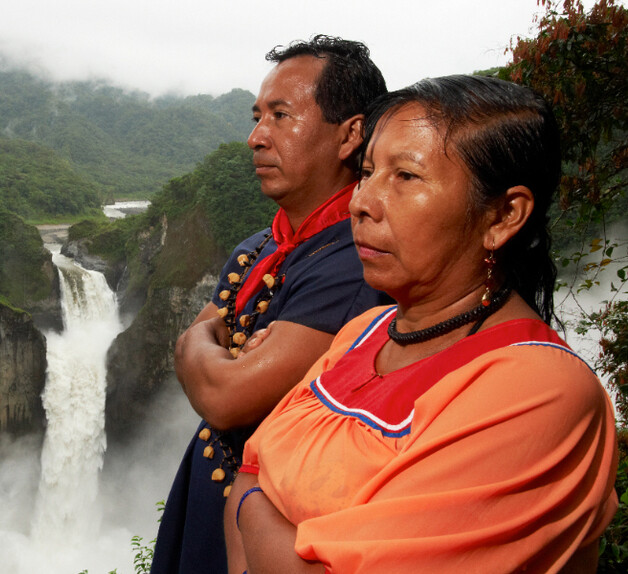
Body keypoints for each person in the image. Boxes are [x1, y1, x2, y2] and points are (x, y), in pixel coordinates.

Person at [226, 75, 619, 573]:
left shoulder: (539, 391)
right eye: (367, 172)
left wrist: (252, 507)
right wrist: (259, 510)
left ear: (502, 216)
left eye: (405, 177)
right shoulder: (363, 332)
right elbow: (248, 470)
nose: (359, 202)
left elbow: (249, 484)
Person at [150, 36, 391, 574]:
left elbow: (225, 396)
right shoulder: (259, 246)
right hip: (208, 504)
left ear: (350, 134)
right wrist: (204, 347)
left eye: (282, 116)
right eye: (258, 117)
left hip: (274, 529)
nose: (257, 137)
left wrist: (203, 346)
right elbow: (201, 355)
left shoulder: (356, 261)